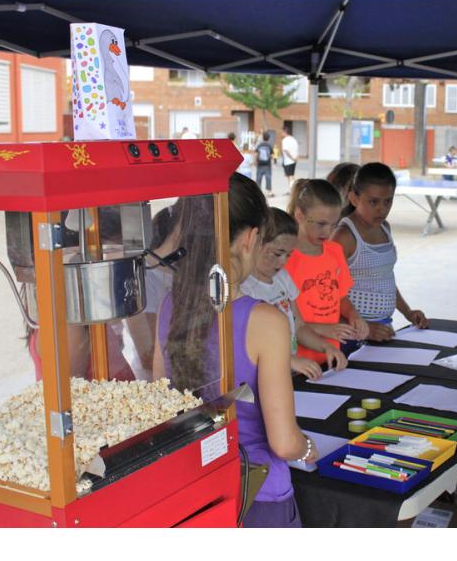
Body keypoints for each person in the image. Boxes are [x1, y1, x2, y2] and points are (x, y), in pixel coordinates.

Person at [154, 174, 315, 527]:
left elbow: (159, 404)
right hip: (255, 494)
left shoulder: (170, 304)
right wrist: (308, 449)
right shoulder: (265, 321)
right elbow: (285, 442)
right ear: (250, 237)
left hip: (193, 488)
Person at [241, 207, 348, 380]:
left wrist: (325, 347)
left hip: (286, 373)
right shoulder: (244, 288)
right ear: (254, 244)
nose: (283, 261)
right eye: (277, 253)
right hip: (260, 379)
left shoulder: (282, 278)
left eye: (289, 255)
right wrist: (289, 360)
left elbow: (299, 326)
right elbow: (246, 343)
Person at [331, 163, 429, 347]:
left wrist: (407, 312)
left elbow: (385, 277)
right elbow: (329, 293)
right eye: (373, 201)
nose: (381, 209)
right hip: (348, 335)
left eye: (388, 201)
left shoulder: (385, 228)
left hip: (383, 327)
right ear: (354, 198)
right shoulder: (344, 236)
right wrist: (364, 328)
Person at [285, 179, 369, 364]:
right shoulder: (285, 258)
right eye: (321, 224)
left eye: (333, 224)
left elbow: (341, 297)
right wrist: (324, 329)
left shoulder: (334, 251)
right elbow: (287, 318)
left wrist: (353, 315)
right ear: (299, 215)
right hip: (298, 361)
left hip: (331, 355)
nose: (328, 231)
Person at [122, 200, 183, 381]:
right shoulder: (142, 277)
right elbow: (148, 354)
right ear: (178, 234)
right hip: (155, 384)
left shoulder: (183, 271)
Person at [255, 131, 275, 198]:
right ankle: (269, 192)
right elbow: (272, 156)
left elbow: (256, 154)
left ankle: (257, 192)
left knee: (258, 178)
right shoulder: (269, 145)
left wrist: (256, 162)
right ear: (268, 138)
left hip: (260, 165)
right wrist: (272, 164)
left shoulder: (259, 145)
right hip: (267, 165)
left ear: (262, 138)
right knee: (268, 178)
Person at [281, 125, 299, 192]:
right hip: (294, 160)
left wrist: (291, 158)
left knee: (290, 176)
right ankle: (292, 189)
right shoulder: (294, 139)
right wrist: (295, 158)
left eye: (282, 132)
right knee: (292, 175)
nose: (281, 133)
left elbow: (285, 150)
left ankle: (292, 190)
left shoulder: (285, 140)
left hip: (288, 161)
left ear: (285, 132)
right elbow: (297, 149)